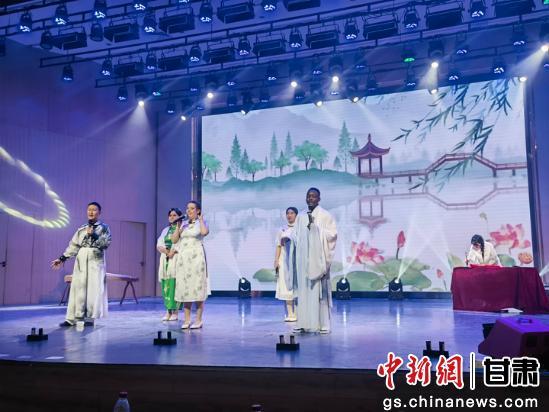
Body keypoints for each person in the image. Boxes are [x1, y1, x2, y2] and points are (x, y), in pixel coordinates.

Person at [283, 188, 337, 334]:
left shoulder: (325, 216)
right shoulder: (301, 217)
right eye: (308, 196)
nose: (310, 199)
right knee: (303, 292)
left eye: (313, 196)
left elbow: (332, 235)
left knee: (320, 293)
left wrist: (315, 229)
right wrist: (290, 237)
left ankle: (323, 324)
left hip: (318, 261)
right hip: (303, 261)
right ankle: (303, 323)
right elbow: (296, 235)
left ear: (319, 199)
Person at [51, 202, 111, 327]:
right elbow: (74, 245)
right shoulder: (82, 228)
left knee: (93, 288)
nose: (91, 212)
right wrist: (62, 258)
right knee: (78, 287)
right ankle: (71, 318)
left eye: (94, 210)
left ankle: (89, 318)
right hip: (82, 259)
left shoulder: (104, 227)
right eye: (89, 209)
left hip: (95, 259)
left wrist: (94, 235)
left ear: (99, 212)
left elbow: (106, 244)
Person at [172, 201, 210, 329]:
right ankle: (187, 320)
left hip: (196, 259)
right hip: (183, 260)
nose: (189, 210)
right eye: (188, 208)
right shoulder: (183, 224)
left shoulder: (201, 223)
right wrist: (177, 227)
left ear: (198, 210)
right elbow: (174, 240)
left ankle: (198, 320)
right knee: (185, 289)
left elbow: (204, 233)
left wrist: (201, 220)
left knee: (197, 288)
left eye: (192, 208)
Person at [157, 208, 184, 322]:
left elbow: (183, 244)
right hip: (166, 258)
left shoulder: (183, 229)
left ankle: (175, 311)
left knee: (175, 285)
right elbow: (159, 244)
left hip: (176, 258)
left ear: (179, 216)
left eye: (174, 215)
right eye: (170, 215)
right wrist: (166, 251)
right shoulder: (166, 230)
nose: (172, 217)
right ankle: (168, 311)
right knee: (166, 285)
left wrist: (174, 251)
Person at [274, 207, 298, 322]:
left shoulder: (299, 228)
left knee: (296, 286)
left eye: (292, 213)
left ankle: (298, 312)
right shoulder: (282, 229)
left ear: (296, 215)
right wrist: (276, 260)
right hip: (284, 261)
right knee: (285, 285)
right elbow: (278, 246)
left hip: (296, 261)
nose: (289, 215)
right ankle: (290, 313)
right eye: (287, 213)